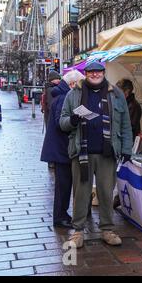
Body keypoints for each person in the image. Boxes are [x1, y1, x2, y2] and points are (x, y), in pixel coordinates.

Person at [60, 62, 133, 248]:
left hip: (107, 153)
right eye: (91, 72)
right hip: (81, 153)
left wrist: (126, 148)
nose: (94, 74)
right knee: (81, 194)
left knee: (106, 193)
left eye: (98, 71)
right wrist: (72, 120)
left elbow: (125, 123)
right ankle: (77, 231)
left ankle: (107, 230)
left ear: (103, 73)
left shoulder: (116, 94)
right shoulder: (73, 94)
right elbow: (62, 122)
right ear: (85, 74)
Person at [41, 70, 85, 228]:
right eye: (80, 85)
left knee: (63, 184)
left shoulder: (60, 95)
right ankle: (60, 216)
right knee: (63, 185)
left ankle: (62, 214)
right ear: (73, 84)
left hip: (60, 148)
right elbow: (62, 124)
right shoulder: (63, 97)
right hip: (62, 149)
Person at [113, 78, 142, 209]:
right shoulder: (123, 103)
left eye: (120, 91)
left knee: (124, 170)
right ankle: (119, 197)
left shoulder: (133, 106)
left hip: (128, 143)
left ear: (127, 92)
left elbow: (130, 126)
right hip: (123, 142)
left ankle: (120, 197)